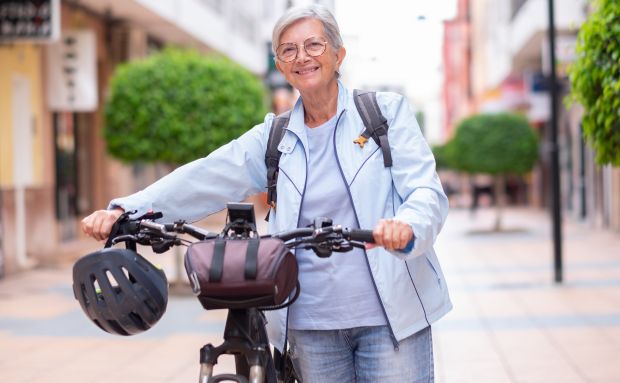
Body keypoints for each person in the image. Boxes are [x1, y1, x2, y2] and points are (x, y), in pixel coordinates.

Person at [81, 5, 451, 382]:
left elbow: (425, 190)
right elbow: (206, 176)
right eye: (288, 50)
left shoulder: (384, 114)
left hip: (391, 321)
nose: (302, 57)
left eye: (313, 45)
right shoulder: (274, 136)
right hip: (310, 323)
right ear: (279, 65)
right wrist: (126, 211)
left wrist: (407, 226)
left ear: (339, 54)